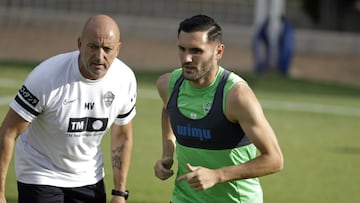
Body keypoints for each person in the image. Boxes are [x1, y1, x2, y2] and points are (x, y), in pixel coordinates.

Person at [0, 14, 136, 203]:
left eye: (107, 49)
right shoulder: (47, 77)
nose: (99, 56)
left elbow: (122, 135)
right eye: (93, 47)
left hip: (89, 176)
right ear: (80, 44)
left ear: (118, 49)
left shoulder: (125, 79)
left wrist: (119, 193)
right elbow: (8, 131)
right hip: (40, 171)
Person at [154, 14, 284, 203]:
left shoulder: (236, 96)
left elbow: (275, 159)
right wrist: (167, 153)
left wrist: (217, 175)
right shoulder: (168, 85)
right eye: (182, 49)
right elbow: (168, 110)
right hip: (184, 198)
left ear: (219, 52)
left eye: (196, 51)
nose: (187, 58)